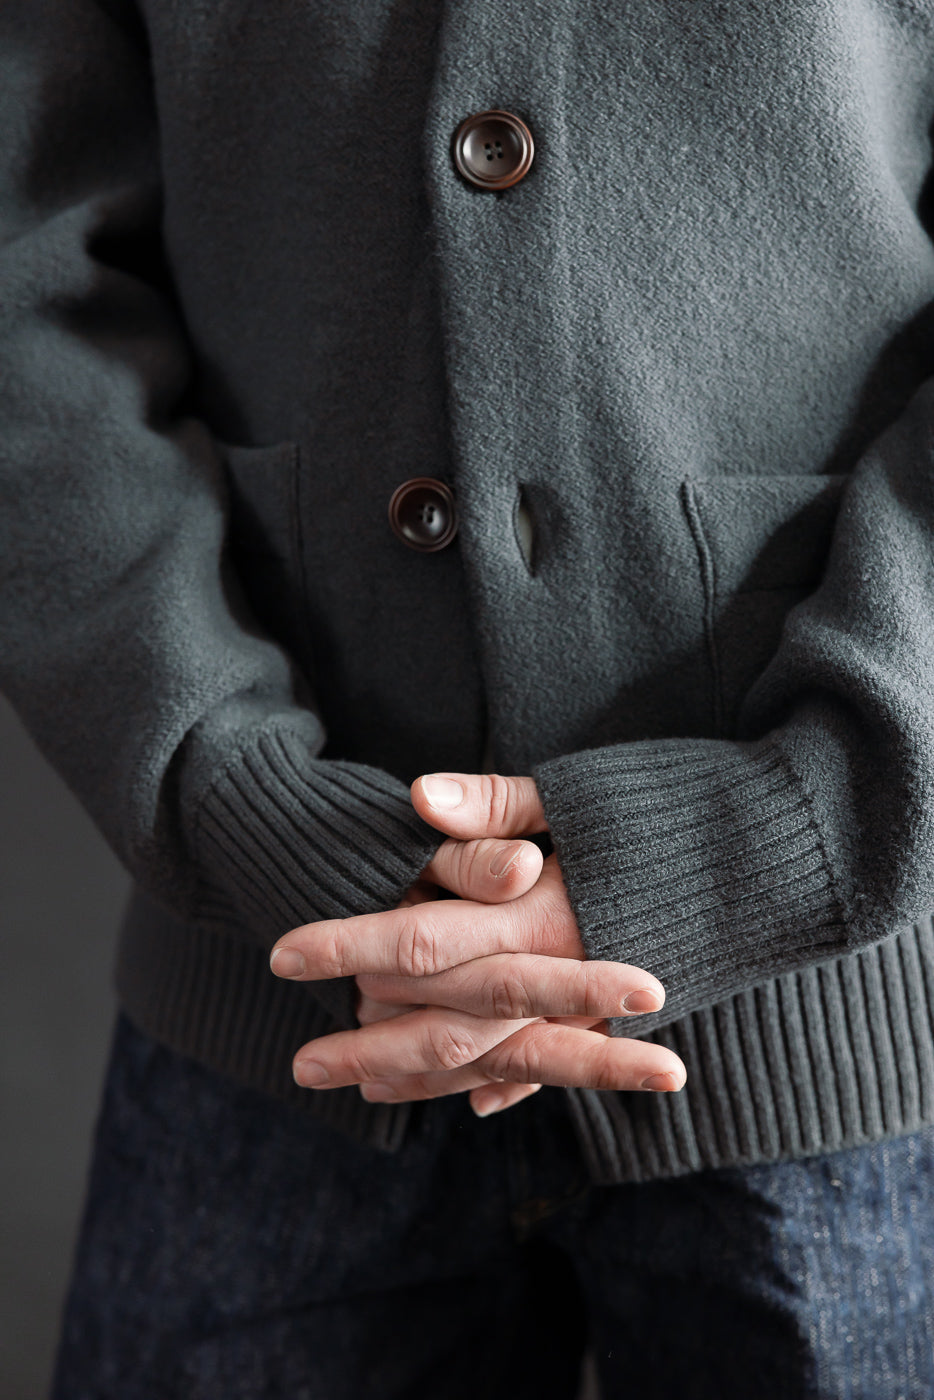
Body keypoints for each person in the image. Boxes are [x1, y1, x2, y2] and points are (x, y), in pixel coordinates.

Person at [3, 0, 934, 1394]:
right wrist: (228, 778)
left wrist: (805, 818)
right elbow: (21, 279)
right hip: (271, 999)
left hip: (844, 1035)